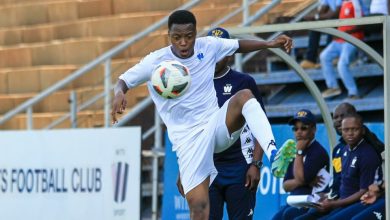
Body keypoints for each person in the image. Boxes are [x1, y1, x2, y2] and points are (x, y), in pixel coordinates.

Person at [111, 10, 294, 219]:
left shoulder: (208, 46)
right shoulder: (156, 61)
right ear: (168, 35)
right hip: (189, 142)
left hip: (214, 126)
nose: (183, 42)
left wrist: (269, 44)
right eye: (177, 37)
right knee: (199, 210)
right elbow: (124, 81)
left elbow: (238, 45)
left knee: (244, 95)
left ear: (195, 34)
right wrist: (119, 93)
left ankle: (274, 153)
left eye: (188, 36)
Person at [176, 27, 265, 219]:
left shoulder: (244, 82)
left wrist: (256, 164)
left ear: (230, 53)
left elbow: (260, 125)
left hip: (240, 166)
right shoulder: (192, 84)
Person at [295, 113, 382, 219]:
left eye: (354, 129)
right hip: (341, 201)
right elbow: (341, 181)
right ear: (341, 132)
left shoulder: (368, 154)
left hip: (359, 202)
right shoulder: (343, 150)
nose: (350, 133)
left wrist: (334, 204)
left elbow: (363, 191)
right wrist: (328, 197)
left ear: (362, 130)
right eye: (346, 130)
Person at [272, 109, 330, 220]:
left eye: (303, 128)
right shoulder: (295, 150)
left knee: (288, 215)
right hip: (295, 200)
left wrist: (299, 153)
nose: (299, 132)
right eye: (295, 129)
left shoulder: (318, 152)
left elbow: (301, 178)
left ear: (313, 129)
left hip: (311, 202)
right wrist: (303, 182)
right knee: (276, 218)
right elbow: (286, 185)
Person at [320, 0, 365, 100]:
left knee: (342, 64)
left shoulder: (355, 2)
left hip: (353, 39)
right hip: (340, 40)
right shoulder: (344, 2)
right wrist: (338, 33)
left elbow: (362, 24)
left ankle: (353, 93)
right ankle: (333, 87)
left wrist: (345, 33)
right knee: (324, 56)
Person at [300, 0, 342, 69]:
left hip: (354, 19)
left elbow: (336, 13)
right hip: (336, 18)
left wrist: (315, 17)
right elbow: (323, 8)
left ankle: (330, 57)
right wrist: (315, 19)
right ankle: (310, 60)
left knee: (331, 24)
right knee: (315, 27)